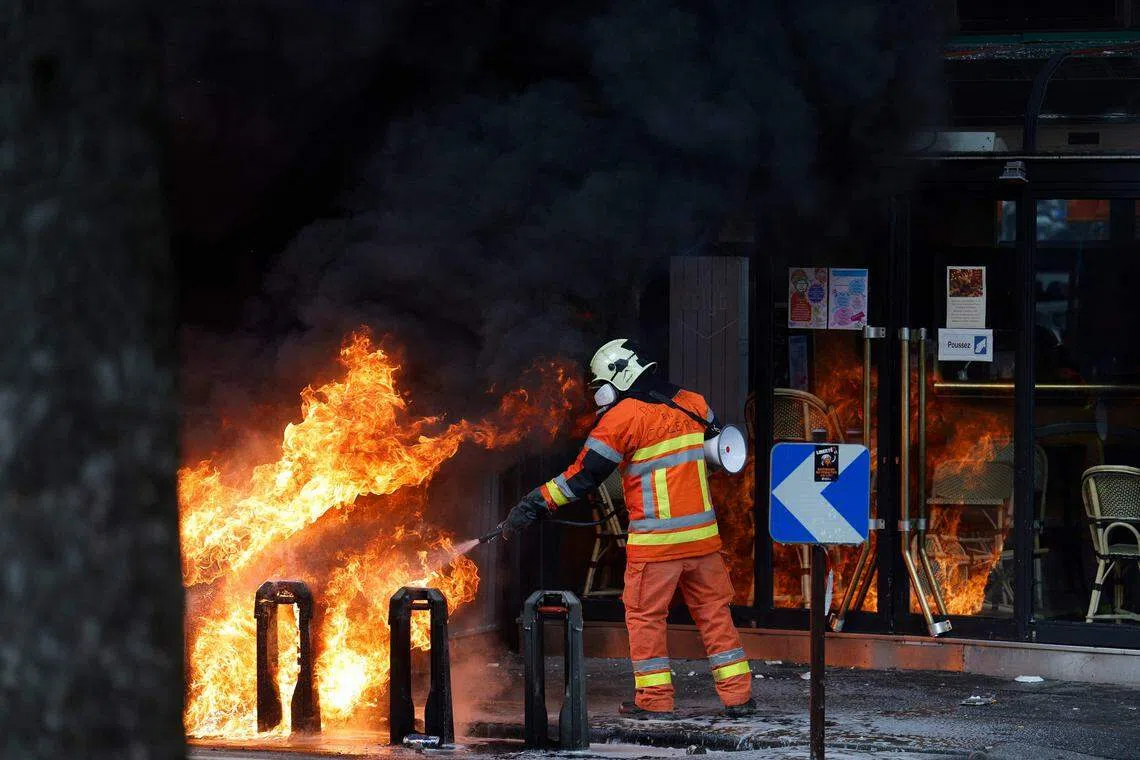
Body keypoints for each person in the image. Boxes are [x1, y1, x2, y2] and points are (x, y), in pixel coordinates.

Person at [499, 338, 756, 718]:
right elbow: (718, 451)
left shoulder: (622, 419)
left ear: (615, 379)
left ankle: (654, 702)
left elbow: (581, 478)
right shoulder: (694, 402)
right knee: (714, 613)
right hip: (702, 540)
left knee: (646, 617)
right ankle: (739, 698)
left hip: (656, 545)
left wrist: (535, 503)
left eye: (599, 386)